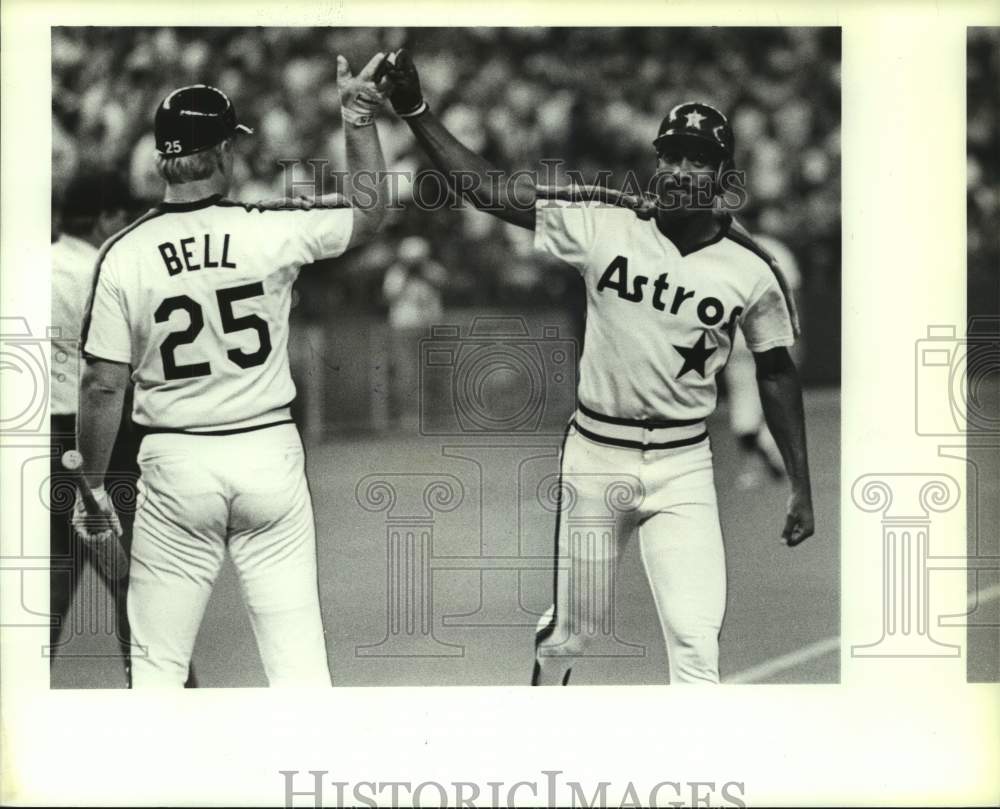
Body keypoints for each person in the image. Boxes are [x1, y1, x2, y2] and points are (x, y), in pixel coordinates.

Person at [377, 50, 815, 685]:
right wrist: (416, 110)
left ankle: (697, 783)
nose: (680, 168)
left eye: (698, 159)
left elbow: (775, 370)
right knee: (570, 636)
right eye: (671, 154)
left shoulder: (752, 267)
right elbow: (490, 189)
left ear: (723, 174)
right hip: (596, 455)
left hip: (683, 464)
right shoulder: (606, 220)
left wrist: (800, 481)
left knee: (696, 645)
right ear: (657, 161)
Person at [74, 57, 390, 687]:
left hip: (176, 460)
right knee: (298, 664)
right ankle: (309, 782)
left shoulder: (124, 252)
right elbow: (368, 214)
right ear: (221, 153)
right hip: (267, 448)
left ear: (164, 160)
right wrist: (356, 122)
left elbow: (103, 384)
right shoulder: (267, 227)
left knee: (158, 665)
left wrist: (97, 486)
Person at [722, 232, 803, 488]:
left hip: (749, 340)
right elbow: (793, 297)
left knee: (749, 409)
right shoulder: (774, 247)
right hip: (761, 339)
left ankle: (754, 467)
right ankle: (770, 449)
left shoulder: (726, 249)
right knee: (760, 411)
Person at [381, 235, 445, 429]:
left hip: (430, 325)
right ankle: (410, 417)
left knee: (432, 372)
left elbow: (443, 283)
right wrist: (407, 276)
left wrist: (423, 274)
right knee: (407, 373)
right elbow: (388, 296)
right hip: (404, 327)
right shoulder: (396, 273)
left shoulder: (433, 269)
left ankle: (433, 416)